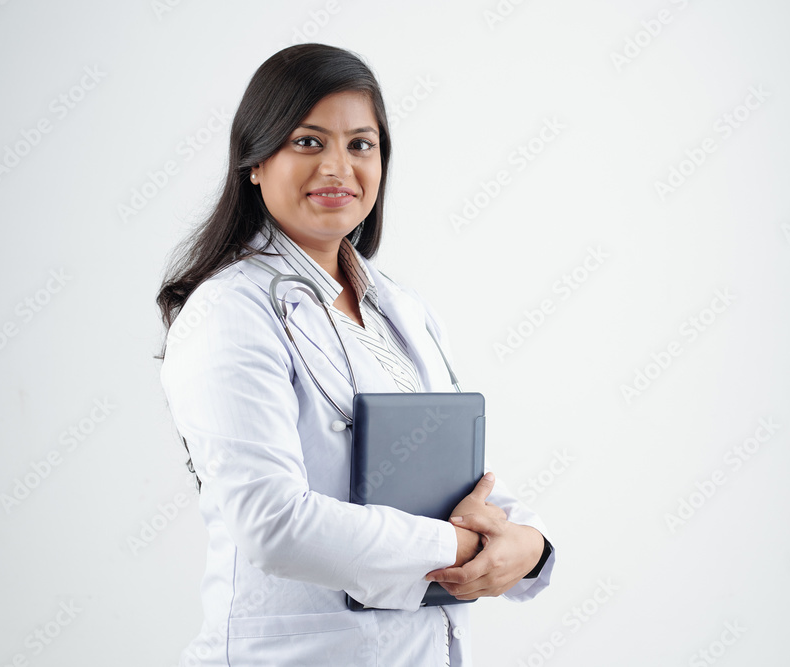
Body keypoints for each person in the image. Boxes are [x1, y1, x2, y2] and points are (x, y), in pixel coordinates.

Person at [156, 43, 555, 667]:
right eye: (309, 142)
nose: (338, 168)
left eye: (360, 144)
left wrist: (528, 544)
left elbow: (452, 471)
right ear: (255, 162)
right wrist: (455, 546)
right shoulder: (229, 312)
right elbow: (274, 524)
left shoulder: (402, 309)